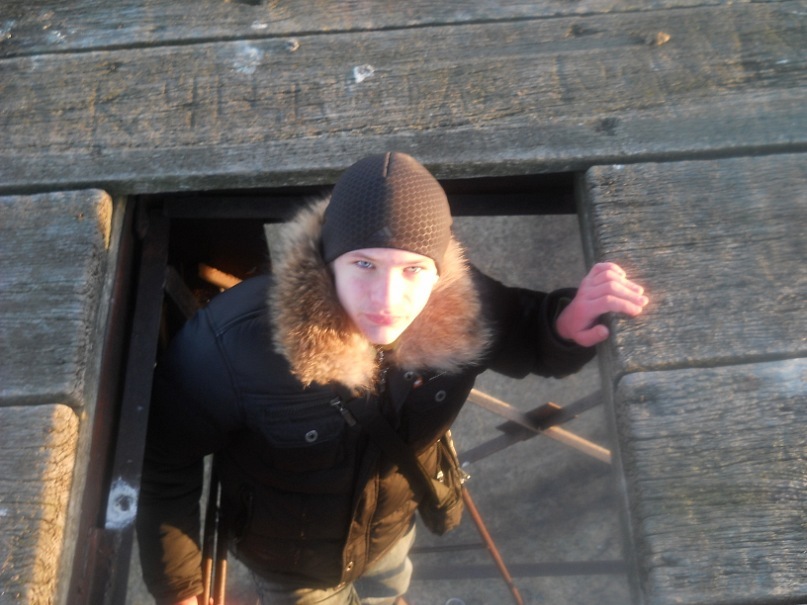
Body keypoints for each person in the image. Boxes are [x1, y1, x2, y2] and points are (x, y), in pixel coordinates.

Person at [137, 152, 649, 605]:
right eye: (364, 264)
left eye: (412, 269)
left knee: (387, 586)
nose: (386, 298)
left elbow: (526, 333)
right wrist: (178, 586)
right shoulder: (235, 343)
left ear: (438, 273)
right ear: (328, 262)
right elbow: (164, 458)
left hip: (390, 529)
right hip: (292, 560)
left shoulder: (460, 306)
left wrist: (565, 324)